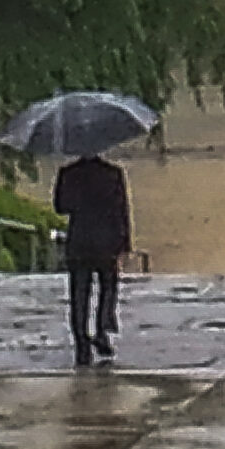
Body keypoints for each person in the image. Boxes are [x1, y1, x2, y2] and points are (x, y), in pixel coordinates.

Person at [52, 153, 130, 368]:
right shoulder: (112, 173)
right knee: (109, 287)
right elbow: (121, 211)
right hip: (107, 242)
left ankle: (82, 345)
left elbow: (60, 207)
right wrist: (124, 245)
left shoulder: (68, 173)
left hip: (79, 241)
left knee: (79, 295)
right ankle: (102, 329)